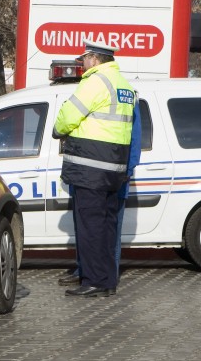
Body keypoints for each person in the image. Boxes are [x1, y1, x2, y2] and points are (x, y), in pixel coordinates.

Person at [52, 39, 134, 297]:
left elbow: (68, 117)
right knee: (107, 228)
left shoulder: (96, 82)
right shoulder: (124, 85)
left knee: (90, 228)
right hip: (113, 169)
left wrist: (58, 130)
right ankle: (107, 281)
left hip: (90, 169)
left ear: (95, 59)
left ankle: (93, 281)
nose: (82, 63)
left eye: (84, 58)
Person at [59, 94, 141, 287]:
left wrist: (127, 171)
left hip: (112, 174)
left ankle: (105, 279)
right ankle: (86, 271)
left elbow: (134, 137)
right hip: (89, 174)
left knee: (108, 232)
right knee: (87, 229)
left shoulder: (125, 98)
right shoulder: (90, 94)